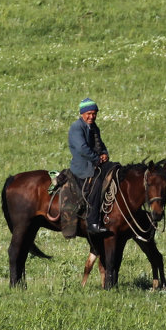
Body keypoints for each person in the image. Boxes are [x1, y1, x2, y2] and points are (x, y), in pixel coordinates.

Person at [68, 98, 114, 237]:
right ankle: (93, 222)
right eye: (88, 113)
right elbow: (82, 148)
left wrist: (105, 154)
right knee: (97, 183)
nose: (91, 116)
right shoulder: (77, 127)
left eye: (94, 113)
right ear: (82, 114)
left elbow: (100, 144)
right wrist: (97, 159)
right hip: (83, 166)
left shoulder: (94, 127)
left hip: (95, 163)